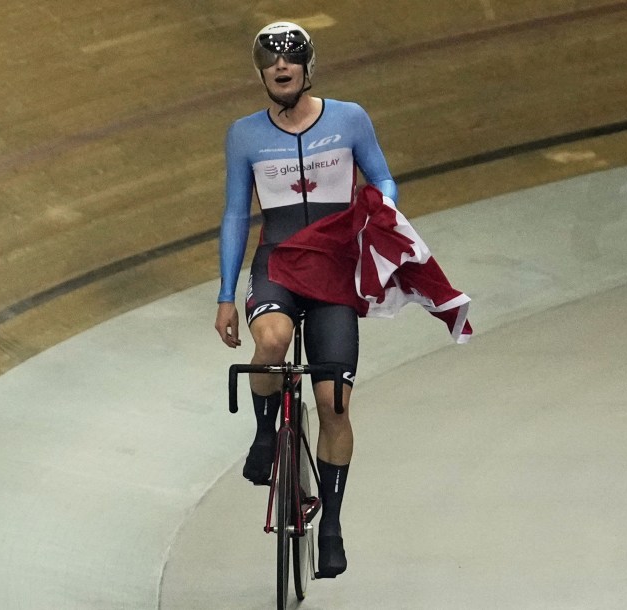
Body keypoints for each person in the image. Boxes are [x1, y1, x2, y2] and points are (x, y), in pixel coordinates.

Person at [213, 21, 399, 579]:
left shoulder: (349, 118)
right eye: (271, 64)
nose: (280, 69)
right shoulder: (244, 134)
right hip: (278, 262)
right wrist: (226, 294)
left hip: (334, 271)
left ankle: (333, 524)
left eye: (289, 63)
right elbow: (233, 215)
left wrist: (381, 212)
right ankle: (266, 433)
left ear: (306, 68)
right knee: (270, 339)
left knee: (332, 404)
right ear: (262, 74)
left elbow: (384, 179)